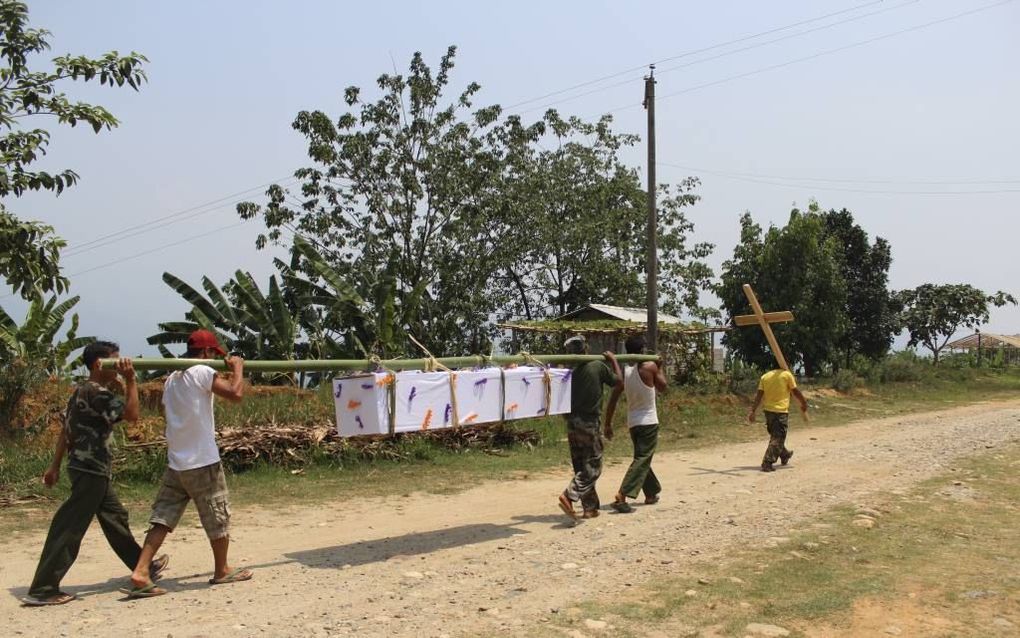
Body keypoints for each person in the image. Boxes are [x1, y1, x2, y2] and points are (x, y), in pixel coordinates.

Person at [23, 341, 168, 606]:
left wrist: (54, 466)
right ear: (99, 364)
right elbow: (133, 415)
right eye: (114, 360)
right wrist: (131, 380)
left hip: (88, 467)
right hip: (90, 469)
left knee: (115, 518)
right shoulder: (97, 393)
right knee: (70, 526)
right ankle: (43, 588)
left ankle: (142, 566)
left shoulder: (80, 390)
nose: (118, 364)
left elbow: (65, 431)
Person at [123, 329, 249, 598]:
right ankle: (222, 569)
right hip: (203, 461)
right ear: (205, 354)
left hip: (177, 462)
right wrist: (238, 368)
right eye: (212, 355)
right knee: (217, 514)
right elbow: (236, 394)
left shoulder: (172, 379)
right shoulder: (202, 371)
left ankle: (142, 570)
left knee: (163, 518)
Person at [557, 335, 623, 522]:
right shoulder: (597, 365)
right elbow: (618, 383)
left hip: (571, 422)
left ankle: (590, 508)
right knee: (593, 465)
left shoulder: (568, 372)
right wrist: (613, 360)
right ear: (586, 348)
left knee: (581, 465)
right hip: (589, 422)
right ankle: (569, 495)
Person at [604, 334, 667, 513]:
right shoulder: (650, 367)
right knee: (642, 459)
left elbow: (613, 400)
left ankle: (651, 492)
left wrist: (607, 424)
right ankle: (622, 494)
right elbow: (663, 387)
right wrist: (660, 368)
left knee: (641, 457)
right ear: (642, 351)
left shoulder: (625, 372)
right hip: (648, 421)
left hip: (633, 423)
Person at [747, 368, 808, 472]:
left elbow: (759, 395)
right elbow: (795, 391)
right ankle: (767, 462)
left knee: (775, 436)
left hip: (768, 412)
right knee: (778, 437)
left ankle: (785, 455)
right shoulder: (786, 375)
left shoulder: (765, 377)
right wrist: (804, 403)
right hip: (780, 411)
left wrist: (753, 410)